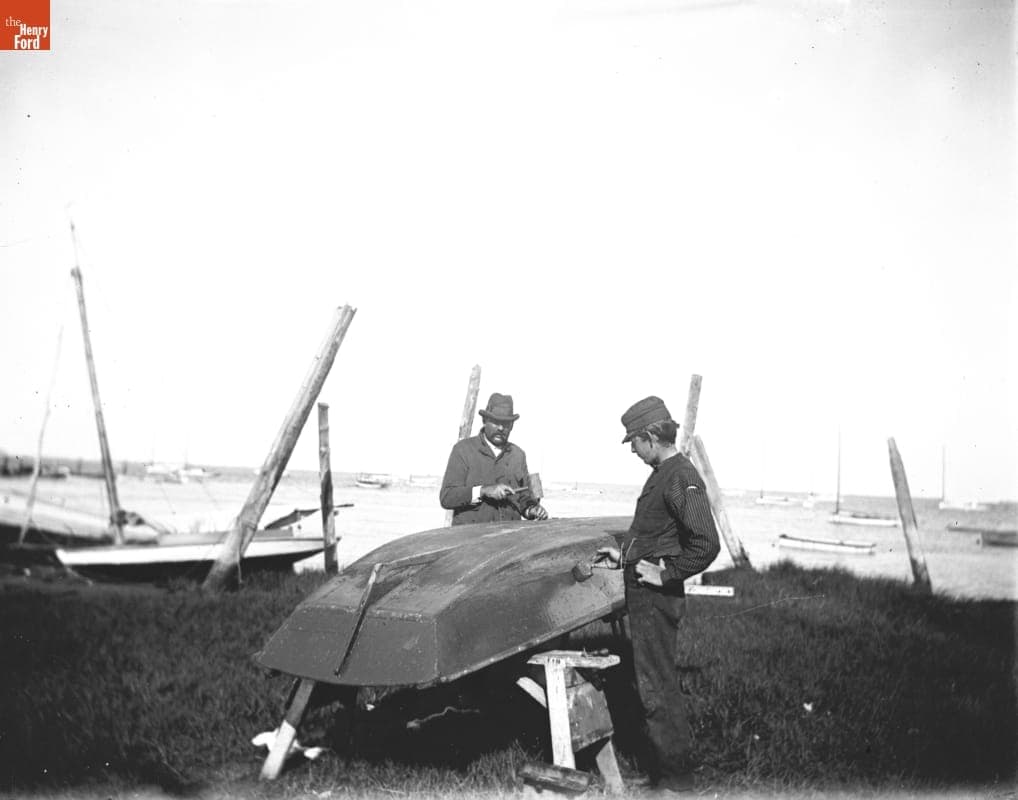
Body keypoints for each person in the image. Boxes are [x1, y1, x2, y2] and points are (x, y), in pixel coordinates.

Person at [596, 395, 721, 794]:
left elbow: (705, 543)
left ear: (651, 436)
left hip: (655, 600)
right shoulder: (663, 472)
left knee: (657, 690)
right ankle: (665, 775)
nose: (632, 448)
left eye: (634, 440)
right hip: (645, 597)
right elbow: (657, 537)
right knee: (653, 685)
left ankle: (675, 784)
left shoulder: (679, 474)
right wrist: (624, 555)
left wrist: (668, 572)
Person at [439, 392, 549, 525]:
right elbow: (447, 497)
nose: (501, 428)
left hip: (510, 540)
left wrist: (532, 509)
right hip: (471, 540)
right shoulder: (463, 450)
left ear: (512, 426)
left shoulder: (518, 455)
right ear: (485, 421)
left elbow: (523, 498)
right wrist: (483, 491)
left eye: (506, 423)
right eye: (496, 422)